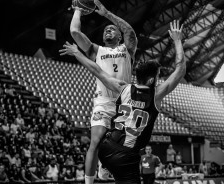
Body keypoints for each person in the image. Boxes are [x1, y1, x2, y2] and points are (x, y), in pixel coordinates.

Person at [60, 19, 185, 184]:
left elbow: (96, 70)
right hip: (127, 154)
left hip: (107, 148)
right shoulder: (156, 95)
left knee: (97, 144)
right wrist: (177, 41)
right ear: (150, 81)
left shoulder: (124, 88)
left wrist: (76, 53)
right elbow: (181, 67)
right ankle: (104, 167)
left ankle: (103, 166)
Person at [70, 0, 138, 183]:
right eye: (105, 29)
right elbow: (75, 33)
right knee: (96, 141)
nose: (108, 30)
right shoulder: (95, 50)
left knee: (122, 147)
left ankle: (105, 165)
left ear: (119, 37)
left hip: (125, 103)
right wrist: (77, 10)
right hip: (104, 103)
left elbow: (130, 31)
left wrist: (107, 14)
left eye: (112, 29)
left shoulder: (127, 49)